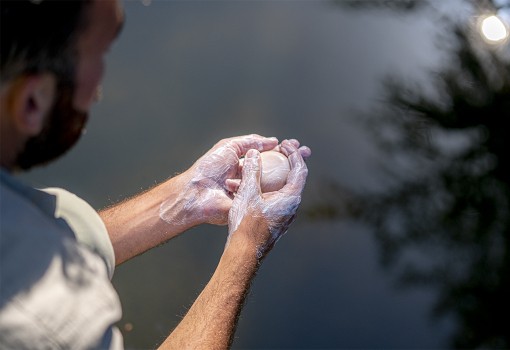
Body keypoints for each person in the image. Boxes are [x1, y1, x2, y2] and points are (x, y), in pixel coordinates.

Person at [0, 0, 311, 349]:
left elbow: (36, 241)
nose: (100, 89)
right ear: (32, 102)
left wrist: (188, 198)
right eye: (100, 55)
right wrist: (246, 247)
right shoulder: (42, 326)